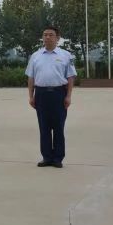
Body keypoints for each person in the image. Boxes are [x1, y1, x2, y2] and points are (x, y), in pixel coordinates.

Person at [26, 24, 76, 167]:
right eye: (45, 34)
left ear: (57, 38)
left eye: (51, 35)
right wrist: (31, 96)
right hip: (41, 94)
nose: (47, 37)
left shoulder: (66, 55)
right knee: (44, 127)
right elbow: (31, 78)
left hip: (59, 94)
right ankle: (47, 157)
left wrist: (68, 96)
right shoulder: (35, 56)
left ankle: (58, 158)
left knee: (58, 127)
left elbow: (71, 77)